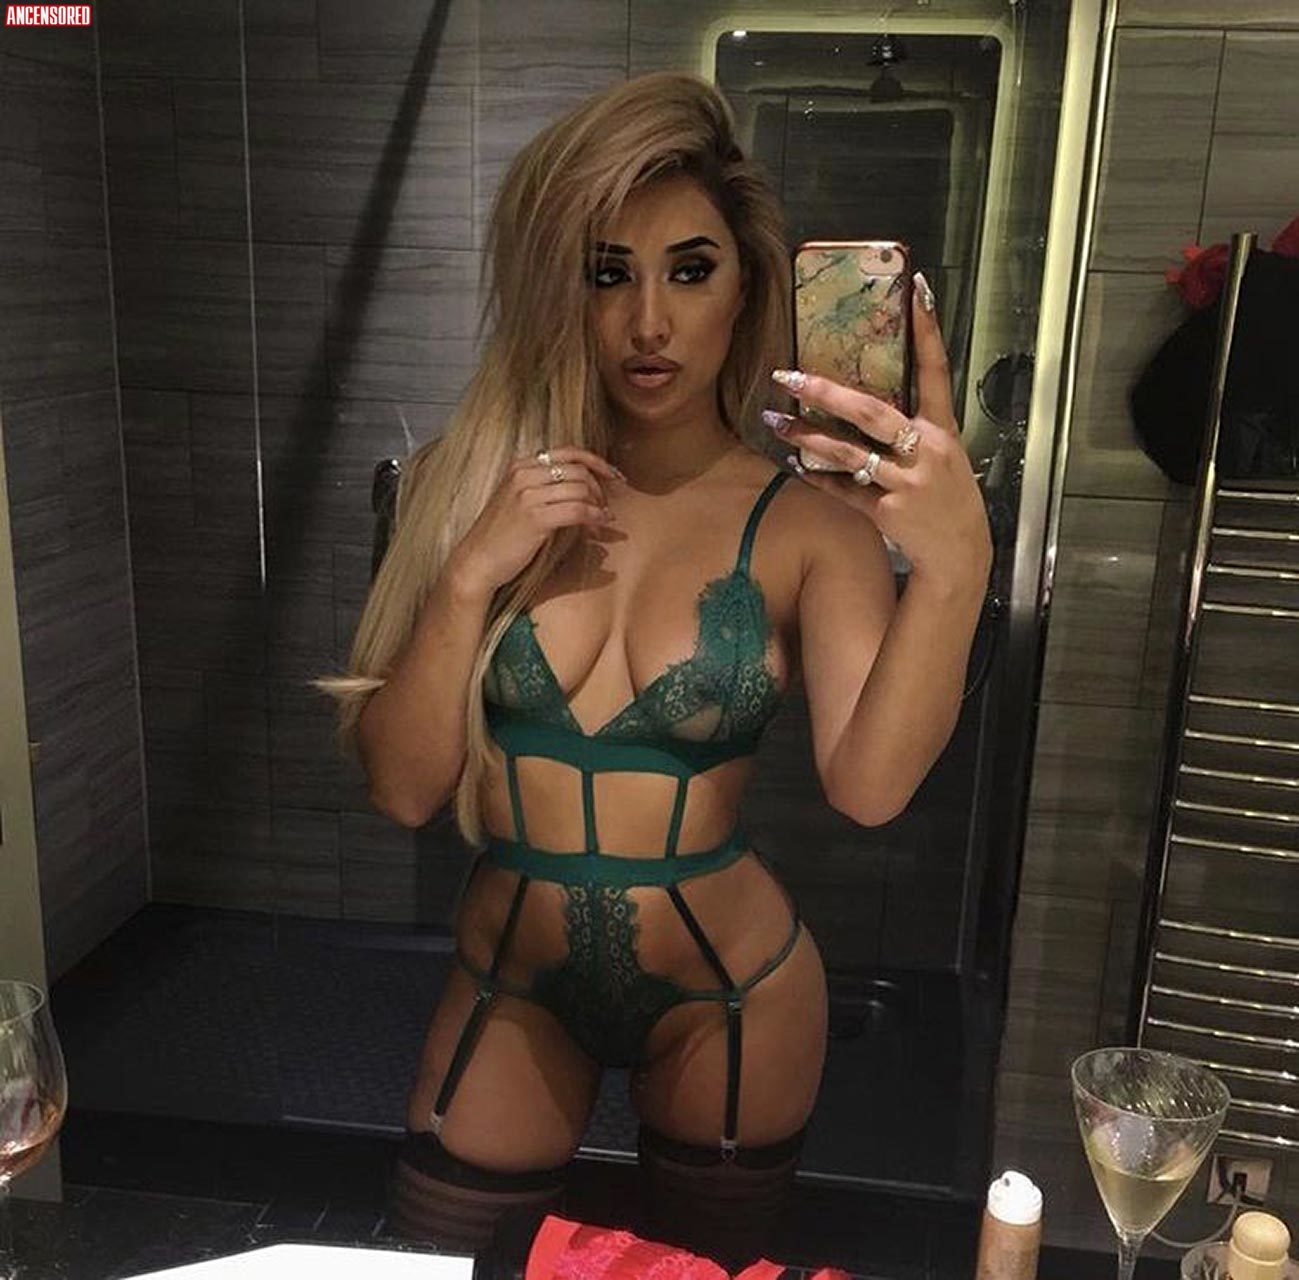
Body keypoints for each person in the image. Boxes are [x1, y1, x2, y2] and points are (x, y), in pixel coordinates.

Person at [315, 71, 991, 1268]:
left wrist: (955, 565)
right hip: (511, 977)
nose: (648, 323)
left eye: (690, 270)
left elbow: (871, 788)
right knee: (441, 1259)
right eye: (607, 271)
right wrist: (470, 575)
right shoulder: (467, 490)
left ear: (748, 288)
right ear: (559, 287)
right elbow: (404, 790)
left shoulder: (810, 528)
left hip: (734, 989)